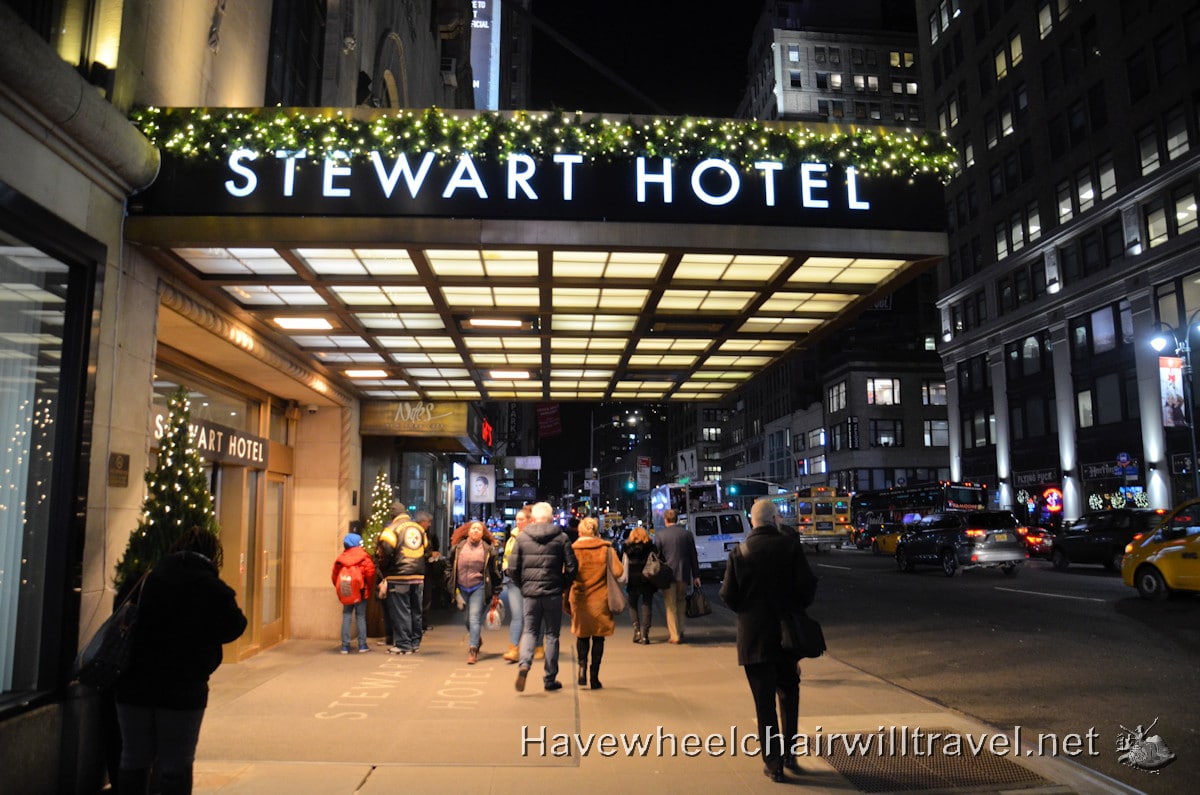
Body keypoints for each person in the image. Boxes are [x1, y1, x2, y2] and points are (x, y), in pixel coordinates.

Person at [115, 527, 248, 794]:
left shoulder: (142, 581)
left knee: (133, 760)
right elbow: (235, 626)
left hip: (133, 684)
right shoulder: (212, 589)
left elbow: (119, 617)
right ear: (213, 555)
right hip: (183, 688)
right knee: (176, 765)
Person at [719, 498, 818, 783]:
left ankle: (773, 763)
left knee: (764, 703)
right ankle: (790, 753)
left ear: (752, 522)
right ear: (775, 519)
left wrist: (748, 612)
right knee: (789, 693)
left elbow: (728, 595)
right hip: (787, 634)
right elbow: (807, 586)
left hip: (755, 637)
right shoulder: (790, 546)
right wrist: (793, 608)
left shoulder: (740, 552)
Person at [507, 501, 577, 692]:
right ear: (551, 517)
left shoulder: (522, 538)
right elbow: (572, 567)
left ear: (533, 518)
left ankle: (524, 665)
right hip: (553, 593)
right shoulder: (561, 538)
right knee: (552, 635)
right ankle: (549, 678)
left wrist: (524, 585)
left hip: (530, 594)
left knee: (530, 631)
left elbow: (512, 568)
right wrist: (563, 585)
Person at [569, 516, 623, 689]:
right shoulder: (606, 550)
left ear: (580, 531)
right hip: (600, 599)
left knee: (582, 635)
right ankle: (594, 677)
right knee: (599, 637)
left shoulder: (573, 550)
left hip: (580, 599)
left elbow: (565, 572)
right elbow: (618, 571)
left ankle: (581, 669)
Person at [445, 520, 502, 664]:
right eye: (473, 528)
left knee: (474, 618)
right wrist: (449, 581)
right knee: (467, 620)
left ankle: (473, 649)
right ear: (468, 532)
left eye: (479, 529)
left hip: (479, 586)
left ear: (483, 533)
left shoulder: (488, 550)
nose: (476, 531)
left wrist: (496, 590)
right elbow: (449, 565)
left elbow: (495, 572)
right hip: (462, 587)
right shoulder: (458, 547)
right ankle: (476, 639)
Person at [375, 512, 432, 654]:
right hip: (418, 576)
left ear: (393, 516)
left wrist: (386, 571)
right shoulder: (419, 529)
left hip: (399, 576)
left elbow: (385, 552)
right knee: (416, 610)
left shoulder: (391, 529)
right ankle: (415, 643)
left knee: (401, 611)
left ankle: (403, 644)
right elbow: (427, 549)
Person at [501, 505, 543, 663]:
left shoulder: (537, 537)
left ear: (530, 520)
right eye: (516, 519)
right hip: (513, 581)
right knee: (517, 615)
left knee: (534, 615)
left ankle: (538, 646)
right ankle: (514, 648)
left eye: (521, 519)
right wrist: (505, 568)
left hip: (531, 581)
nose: (518, 522)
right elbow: (506, 557)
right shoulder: (512, 537)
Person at [654, 508, 701, 644]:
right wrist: (696, 575)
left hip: (668, 576)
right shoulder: (687, 535)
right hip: (684, 574)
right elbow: (693, 555)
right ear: (677, 519)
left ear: (665, 520)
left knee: (670, 605)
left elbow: (657, 556)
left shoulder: (660, 535)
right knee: (681, 601)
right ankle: (681, 629)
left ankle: (675, 635)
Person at [331, 530, 376, 653]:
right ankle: (362, 645)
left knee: (346, 615)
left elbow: (334, 576)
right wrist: (369, 587)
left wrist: (339, 587)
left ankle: (345, 646)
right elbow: (370, 574)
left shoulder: (341, 558)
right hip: (361, 590)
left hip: (347, 590)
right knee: (360, 616)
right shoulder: (364, 557)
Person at [621, 526, 656, 644]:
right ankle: (645, 634)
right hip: (647, 578)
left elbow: (623, 564)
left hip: (633, 579)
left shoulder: (627, 548)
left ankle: (637, 631)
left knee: (632, 604)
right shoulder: (650, 547)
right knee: (647, 604)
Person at [414, 509, 442, 626]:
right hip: (418, 570)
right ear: (421, 521)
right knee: (419, 597)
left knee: (426, 596)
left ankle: (423, 622)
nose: (430, 524)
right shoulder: (415, 534)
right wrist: (430, 554)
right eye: (428, 522)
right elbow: (417, 552)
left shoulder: (429, 535)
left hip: (428, 570)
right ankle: (418, 623)